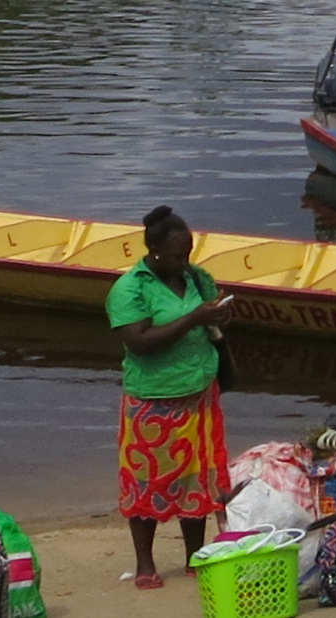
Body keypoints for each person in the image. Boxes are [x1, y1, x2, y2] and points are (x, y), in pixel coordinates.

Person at [110, 206, 231, 581]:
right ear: (155, 251)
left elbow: (214, 314)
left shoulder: (195, 278)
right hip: (154, 400)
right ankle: (145, 563)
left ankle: (195, 556)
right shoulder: (130, 289)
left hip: (199, 393)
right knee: (148, 482)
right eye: (178, 255)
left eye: (189, 253)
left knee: (196, 480)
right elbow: (139, 341)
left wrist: (220, 315)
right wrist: (194, 319)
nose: (185, 261)